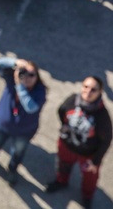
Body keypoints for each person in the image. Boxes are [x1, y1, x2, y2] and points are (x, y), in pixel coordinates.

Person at [45, 76, 111, 209]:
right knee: (63, 166)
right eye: (85, 87)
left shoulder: (102, 116)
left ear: (100, 93)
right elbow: (61, 111)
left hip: (88, 155)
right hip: (66, 146)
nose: (88, 91)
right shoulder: (72, 100)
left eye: (93, 89)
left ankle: (87, 197)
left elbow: (106, 140)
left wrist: (95, 161)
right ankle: (61, 182)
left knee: (89, 179)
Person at [0, 57, 47, 185]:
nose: (27, 77)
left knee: (17, 152)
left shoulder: (40, 91)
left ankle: (12, 169)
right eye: (23, 73)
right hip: (1, 124)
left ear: (37, 77)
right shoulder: (11, 79)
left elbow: (30, 107)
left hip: (23, 131)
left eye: (31, 74)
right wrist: (14, 63)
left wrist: (19, 86)